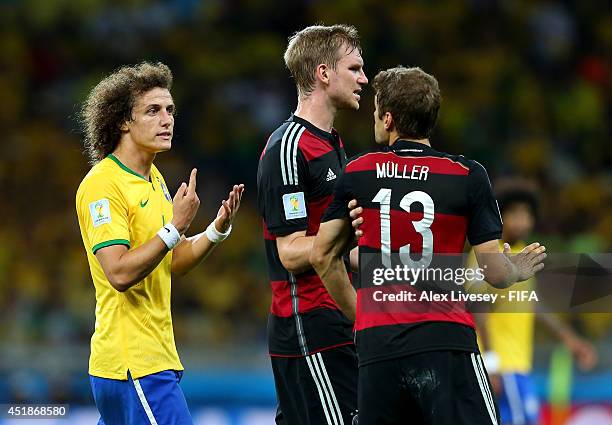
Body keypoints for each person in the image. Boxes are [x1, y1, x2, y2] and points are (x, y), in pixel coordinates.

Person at [310, 66, 547, 425]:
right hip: (445, 339)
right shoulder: (468, 175)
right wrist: (517, 269)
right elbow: (494, 273)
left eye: (376, 110)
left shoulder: (358, 172)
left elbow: (322, 255)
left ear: (387, 119)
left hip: (379, 345)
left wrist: (359, 316)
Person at [76, 62, 244, 425]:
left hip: (149, 359)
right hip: (134, 363)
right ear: (123, 121)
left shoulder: (153, 178)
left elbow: (173, 259)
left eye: (169, 110)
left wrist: (215, 229)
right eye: (152, 110)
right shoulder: (102, 185)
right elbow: (118, 272)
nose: (166, 119)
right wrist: (174, 226)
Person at [256, 25, 368, 425]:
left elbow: (338, 244)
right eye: (354, 68)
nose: (363, 79)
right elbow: (289, 251)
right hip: (306, 321)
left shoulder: (333, 144)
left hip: (335, 312)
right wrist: (341, 238)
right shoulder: (288, 147)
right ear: (323, 73)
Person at [473, 181, 597, 425]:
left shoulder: (522, 253)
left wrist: (569, 339)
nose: (522, 221)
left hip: (519, 365)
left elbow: (530, 303)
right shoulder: (486, 254)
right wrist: (492, 364)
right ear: (499, 216)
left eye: (527, 215)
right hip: (502, 367)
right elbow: (479, 308)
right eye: (514, 214)